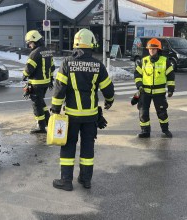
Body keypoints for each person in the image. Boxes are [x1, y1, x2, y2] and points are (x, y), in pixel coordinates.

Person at [50, 28, 115, 191]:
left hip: (72, 116)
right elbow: (108, 88)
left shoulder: (67, 63)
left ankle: (66, 181)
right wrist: (109, 101)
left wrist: (55, 109)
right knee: (87, 147)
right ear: (91, 43)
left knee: (68, 146)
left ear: (76, 44)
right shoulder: (97, 65)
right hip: (90, 117)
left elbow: (59, 89)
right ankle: (86, 180)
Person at [134, 38, 175, 138]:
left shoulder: (165, 61)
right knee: (143, 112)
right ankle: (145, 131)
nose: (151, 51)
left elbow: (170, 76)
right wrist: (139, 85)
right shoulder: (144, 61)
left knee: (162, 113)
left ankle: (165, 130)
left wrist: (170, 89)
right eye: (150, 49)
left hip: (159, 92)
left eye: (154, 49)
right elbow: (137, 74)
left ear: (158, 50)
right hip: (145, 91)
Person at [23, 30, 55, 134]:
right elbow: (52, 67)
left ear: (35, 41)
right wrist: (50, 80)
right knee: (41, 101)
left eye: (30, 43)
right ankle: (48, 121)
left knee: (36, 104)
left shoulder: (34, 53)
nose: (29, 46)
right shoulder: (48, 51)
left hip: (36, 83)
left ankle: (41, 126)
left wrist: (24, 76)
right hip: (45, 83)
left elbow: (29, 69)